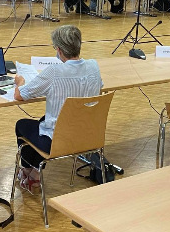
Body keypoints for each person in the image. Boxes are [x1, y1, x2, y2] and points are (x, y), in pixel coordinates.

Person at [12, 25, 103, 192]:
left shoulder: (54, 71)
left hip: (59, 141)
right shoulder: (93, 66)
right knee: (43, 121)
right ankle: (34, 173)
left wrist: (20, 82)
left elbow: (19, 95)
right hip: (89, 136)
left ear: (59, 50)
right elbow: (99, 87)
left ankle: (29, 172)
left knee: (22, 125)